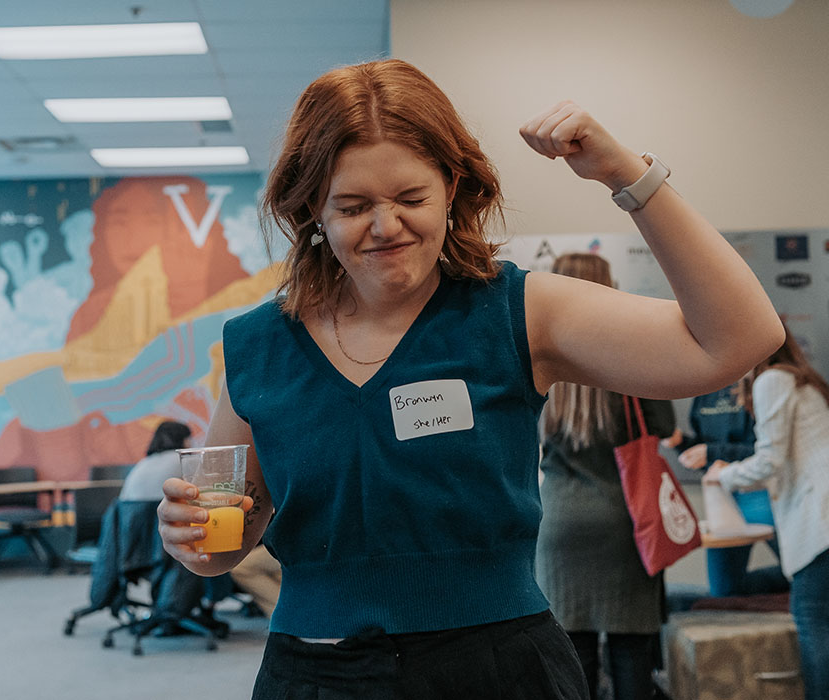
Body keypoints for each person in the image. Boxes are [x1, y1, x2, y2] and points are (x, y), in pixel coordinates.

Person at [158, 58, 784, 699]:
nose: (385, 226)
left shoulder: (516, 311)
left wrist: (628, 176)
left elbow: (739, 340)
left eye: (411, 199)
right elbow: (230, 531)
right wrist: (191, 539)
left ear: (453, 187)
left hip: (497, 669)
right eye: (352, 205)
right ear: (312, 205)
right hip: (316, 674)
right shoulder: (259, 345)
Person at [536, 252, 675, 700]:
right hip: (626, 524)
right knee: (632, 652)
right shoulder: (630, 359)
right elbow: (665, 426)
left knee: (573, 659)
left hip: (558, 525)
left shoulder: (538, 363)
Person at [704, 322, 829, 700]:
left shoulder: (771, 379)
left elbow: (769, 461)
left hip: (818, 524)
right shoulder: (802, 379)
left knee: (812, 622)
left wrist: (724, 476)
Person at [664, 385, 789, 597]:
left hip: (762, 491)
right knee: (724, 590)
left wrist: (712, 452)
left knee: (805, 571)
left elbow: (770, 455)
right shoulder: (705, 390)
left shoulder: (763, 384)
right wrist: (683, 444)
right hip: (722, 497)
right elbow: (711, 459)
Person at [119, 421, 191, 502]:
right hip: (160, 510)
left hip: (128, 511)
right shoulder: (183, 459)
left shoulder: (144, 462)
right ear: (184, 439)